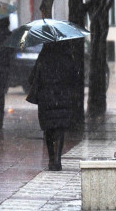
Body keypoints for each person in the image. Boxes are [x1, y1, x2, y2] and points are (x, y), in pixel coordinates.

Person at [27, 41, 80, 171]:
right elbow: (75, 78)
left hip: (46, 98)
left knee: (48, 129)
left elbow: (31, 78)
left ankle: (51, 159)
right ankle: (57, 159)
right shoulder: (67, 57)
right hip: (63, 97)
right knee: (60, 129)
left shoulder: (43, 57)